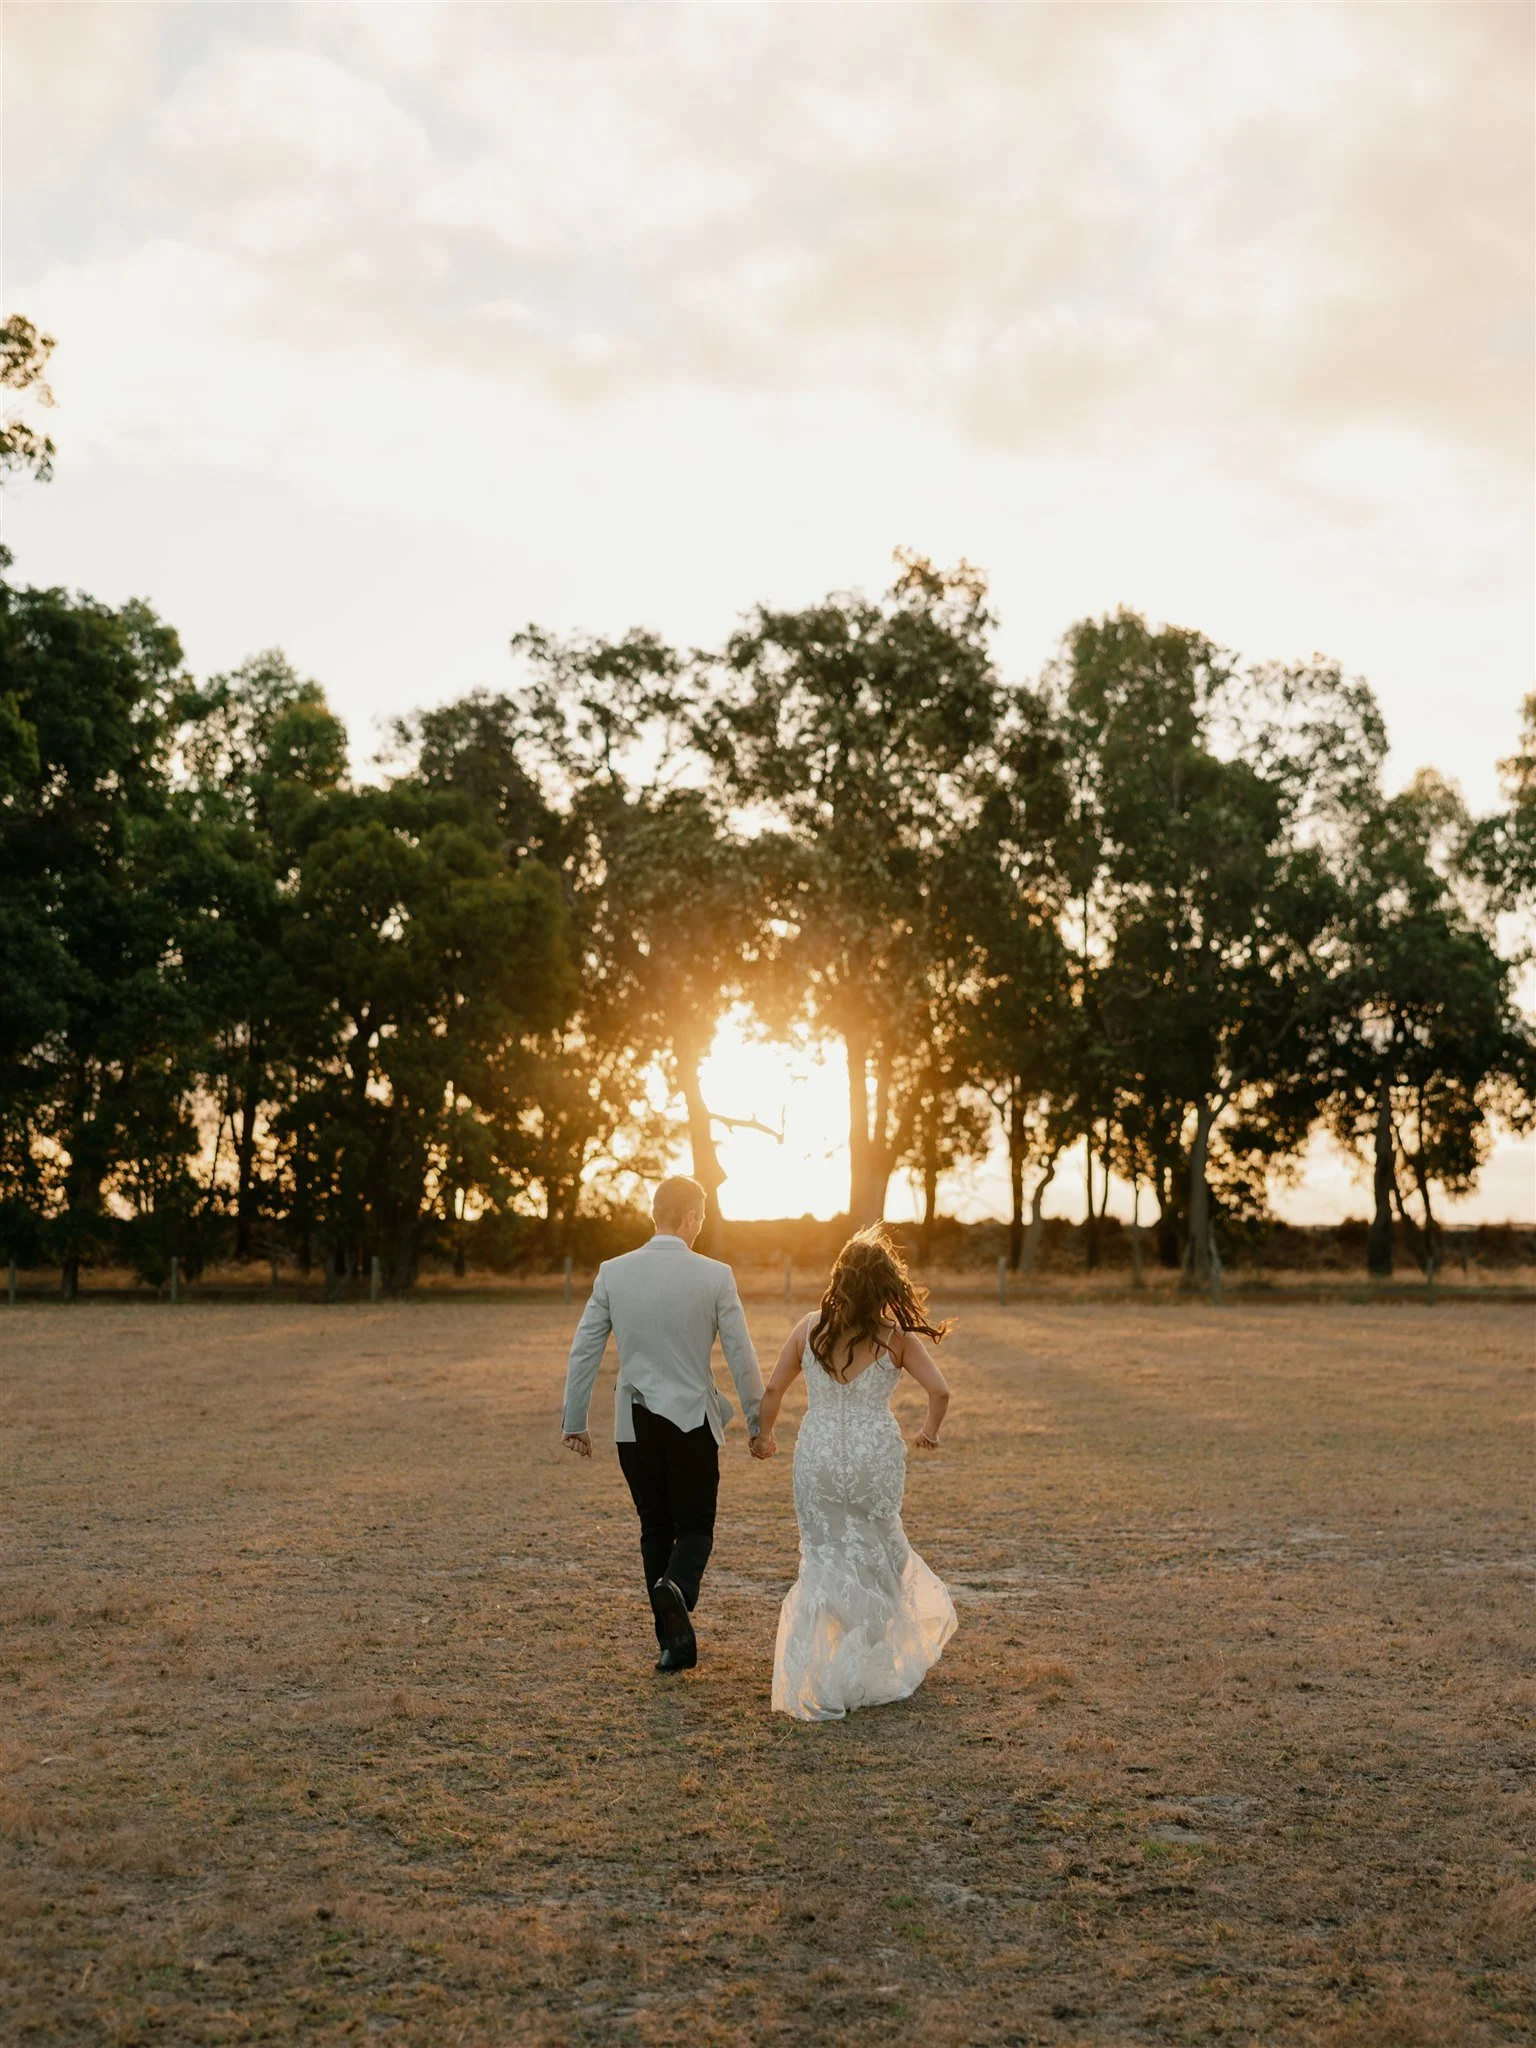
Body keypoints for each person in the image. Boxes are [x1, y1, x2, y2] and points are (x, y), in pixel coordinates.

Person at [560, 1176, 770, 1673]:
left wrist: (575, 1420)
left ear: (655, 1214)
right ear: (692, 1217)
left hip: (634, 1425)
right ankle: (678, 1589)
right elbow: (740, 1353)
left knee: (654, 1526)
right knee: (696, 1526)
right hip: (691, 1423)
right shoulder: (716, 1275)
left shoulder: (614, 1272)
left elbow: (585, 1347)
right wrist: (759, 1423)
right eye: (703, 1218)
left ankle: (671, 1644)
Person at [757, 1225, 957, 1721]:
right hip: (873, 1457)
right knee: (880, 1549)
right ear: (886, 1286)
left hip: (819, 1453)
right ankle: (865, 1661)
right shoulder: (897, 1339)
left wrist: (764, 1436)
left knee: (824, 1554)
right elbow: (941, 1392)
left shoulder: (809, 1328)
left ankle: (821, 1670)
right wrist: (928, 1431)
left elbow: (773, 1390)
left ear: (840, 1278)